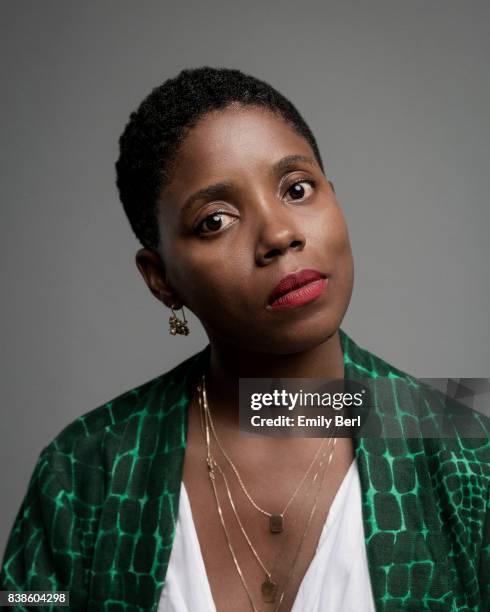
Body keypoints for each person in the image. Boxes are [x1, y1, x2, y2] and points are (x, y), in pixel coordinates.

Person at [1, 67, 489, 612]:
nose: (280, 234)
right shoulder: (82, 469)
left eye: (297, 189)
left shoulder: (467, 456)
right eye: (215, 220)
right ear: (161, 278)